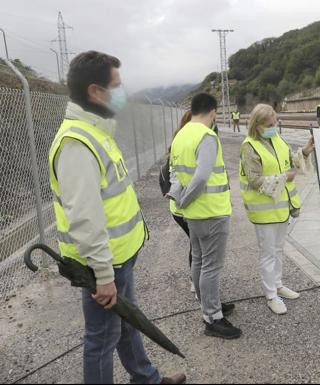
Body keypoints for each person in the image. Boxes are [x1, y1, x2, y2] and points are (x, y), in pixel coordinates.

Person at [49, 50, 185, 384]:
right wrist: (102, 273)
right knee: (101, 339)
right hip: (102, 264)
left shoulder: (96, 132)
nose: (122, 93)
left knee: (128, 322)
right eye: (117, 86)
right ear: (95, 91)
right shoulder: (77, 143)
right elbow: (84, 217)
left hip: (118, 257)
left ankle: (146, 378)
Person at [167, 93, 241, 339]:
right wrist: (187, 199)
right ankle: (213, 318)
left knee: (199, 260)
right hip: (211, 211)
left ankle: (209, 304)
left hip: (194, 214)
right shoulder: (207, 136)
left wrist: (182, 203)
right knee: (211, 265)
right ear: (212, 112)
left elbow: (175, 174)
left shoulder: (181, 135)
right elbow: (201, 176)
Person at [240, 104, 315, 315]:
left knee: (279, 249)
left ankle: (278, 284)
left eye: (275, 123)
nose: (274, 127)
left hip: (281, 208)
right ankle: (271, 295)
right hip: (264, 211)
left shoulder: (277, 139)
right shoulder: (249, 147)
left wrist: (306, 151)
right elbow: (254, 180)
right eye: (269, 125)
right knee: (268, 253)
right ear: (257, 125)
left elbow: (291, 160)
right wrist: (284, 178)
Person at [159, 110, 196, 295]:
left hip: (178, 207)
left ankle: (196, 281)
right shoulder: (189, 144)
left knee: (196, 244)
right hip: (186, 207)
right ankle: (197, 283)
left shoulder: (177, 141)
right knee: (198, 245)